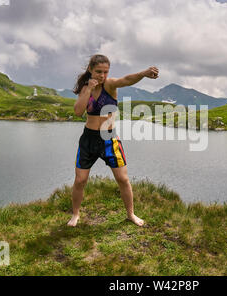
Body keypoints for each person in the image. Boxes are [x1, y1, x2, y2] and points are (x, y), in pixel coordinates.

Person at [67, 54, 159, 227]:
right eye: (98, 72)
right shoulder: (85, 88)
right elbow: (78, 112)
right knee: (80, 180)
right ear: (90, 70)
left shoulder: (110, 85)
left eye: (105, 72)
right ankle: (75, 215)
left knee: (123, 179)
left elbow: (127, 79)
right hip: (88, 139)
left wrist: (144, 73)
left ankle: (130, 214)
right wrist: (87, 90)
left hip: (109, 139)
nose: (102, 76)